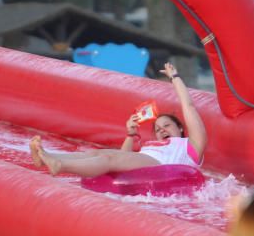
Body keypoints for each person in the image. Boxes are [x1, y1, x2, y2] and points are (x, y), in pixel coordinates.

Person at [30, 62, 206, 176]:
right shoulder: (152, 147)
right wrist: (130, 135)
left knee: (109, 159)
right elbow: (125, 156)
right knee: (96, 153)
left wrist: (175, 78)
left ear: (180, 128)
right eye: (158, 129)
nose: (162, 131)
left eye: (166, 125)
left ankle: (60, 165)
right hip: (147, 163)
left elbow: (188, 106)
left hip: (163, 167)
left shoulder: (191, 146)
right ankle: (47, 156)